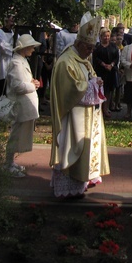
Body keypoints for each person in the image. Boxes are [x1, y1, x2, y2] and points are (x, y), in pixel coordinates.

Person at [49, 14, 110, 199]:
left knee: (85, 150)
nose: (91, 52)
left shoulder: (82, 59)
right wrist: (92, 85)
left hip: (86, 116)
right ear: (81, 45)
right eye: (89, 48)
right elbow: (70, 89)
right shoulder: (66, 61)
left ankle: (81, 182)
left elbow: (90, 77)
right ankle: (69, 188)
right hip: (72, 118)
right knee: (72, 149)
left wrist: (96, 82)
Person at [4, 34, 42, 178]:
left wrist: (32, 82)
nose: (33, 49)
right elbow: (17, 86)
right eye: (31, 46)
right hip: (19, 105)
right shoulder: (16, 63)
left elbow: (23, 81)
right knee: (15, 135)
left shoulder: (22, 61)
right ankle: (8, 164)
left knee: (19, 135)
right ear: (24, 48)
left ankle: (11, 162)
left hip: (25, 104)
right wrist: (32, 85)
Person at [92, 27, 119, 118]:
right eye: (105, 36)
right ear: (101, 36)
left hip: (110, 72)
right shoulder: (97, 47)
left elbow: (116, 57)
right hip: (100, 71)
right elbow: (95, 58)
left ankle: (105, 109)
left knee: (108, 91)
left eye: (108, 36)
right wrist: (103, 64)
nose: (106, 38)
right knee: (99, 91)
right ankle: (98, 109)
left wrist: (111, 65)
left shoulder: (113, 46)